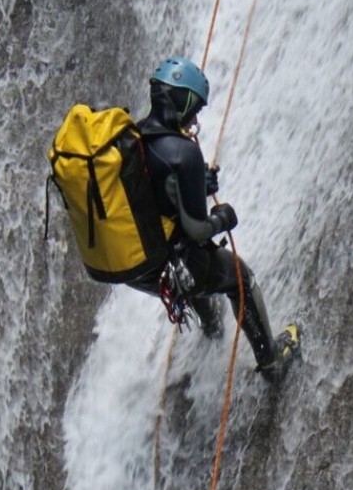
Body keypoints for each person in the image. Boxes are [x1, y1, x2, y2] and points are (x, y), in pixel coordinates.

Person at [124, 56, 299, 382]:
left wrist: (194, 185)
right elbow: (197, 231)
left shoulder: (130, 141)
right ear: (185, 102)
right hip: (173, 265)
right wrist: (223, 218)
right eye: (196, 109)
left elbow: (155, 195)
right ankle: (272, 362)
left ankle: (211, 326)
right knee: (238, 277)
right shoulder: (183, 152)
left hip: (137, 267)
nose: (195, 118)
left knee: (196, 273)